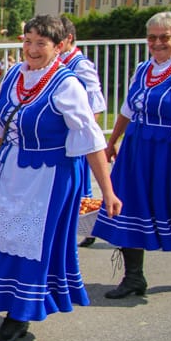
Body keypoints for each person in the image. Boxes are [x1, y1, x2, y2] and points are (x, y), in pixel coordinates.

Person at [0, 15, 121, 341]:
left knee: (31, 244)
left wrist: (107, 190)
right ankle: (11, 303)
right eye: (28, 41)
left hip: (49, 176)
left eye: (41, 43)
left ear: (59, 46)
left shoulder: (67, 84)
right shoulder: (13, 75)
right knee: (3, 234)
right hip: (10, 171)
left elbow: (92, 140)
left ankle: (20, 315)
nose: (32, 49)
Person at [92, 11, 171, 299]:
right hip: (136, 148)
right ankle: (134, 277)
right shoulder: (143, 69)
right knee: (127, 207)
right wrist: (111, 143)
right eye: (152, 37)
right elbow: (127, 109)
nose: (157, 43)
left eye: (164, 37)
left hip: (168, 151)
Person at [58, 16, 108, 248]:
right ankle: (76, 228)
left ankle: (88, 227)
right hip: (64, 137)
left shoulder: (80, 64)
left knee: (80, 187)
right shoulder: (59, 62)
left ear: (68, 38)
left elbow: (95, 104)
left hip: (76, 137)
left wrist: (83, 134)